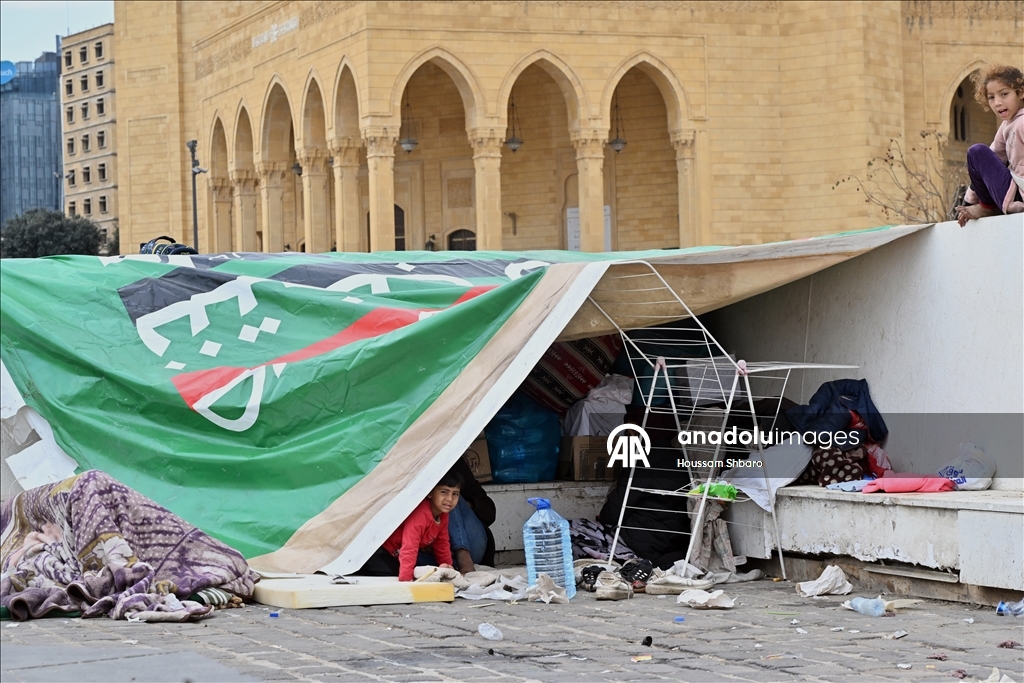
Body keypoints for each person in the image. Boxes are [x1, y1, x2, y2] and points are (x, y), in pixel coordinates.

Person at [356, 468, 461, 581]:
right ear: (430, 493)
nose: (450, 499)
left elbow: (442, 544)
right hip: (379, 550)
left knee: (446, 565)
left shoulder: (443, 515)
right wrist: (406, 581)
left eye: (455, 494)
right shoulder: (420, 514)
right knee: (396, 574)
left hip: (398, 554)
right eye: (444, 492)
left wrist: (449, 570)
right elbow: (410, 546)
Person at [956, 65, 1024, 227]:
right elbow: (991, 160)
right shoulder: (1007, 125)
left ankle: (988, 208)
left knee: (977, 151)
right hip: (1011, 193)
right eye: (991, 97)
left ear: (1021, 93)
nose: (997, 103)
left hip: (1017, 195)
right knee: (978, 154)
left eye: (1004, 94)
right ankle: (986, 206)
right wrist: (969, 202)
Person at [447, 456, 496, 574]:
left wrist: (462, 507)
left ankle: (463, 556)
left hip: (471, 546)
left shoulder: (452, 462)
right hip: (433, 555)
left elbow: (490, 512)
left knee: (448, 496)